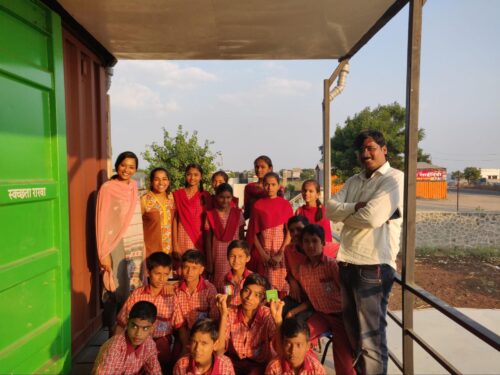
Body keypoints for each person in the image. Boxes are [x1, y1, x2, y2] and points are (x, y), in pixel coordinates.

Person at [326, 129, 404, 375]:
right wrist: (356, 207)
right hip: (348, 263)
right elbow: (329, 209)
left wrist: (346, 214)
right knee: (355, 337)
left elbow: (372, 218)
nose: (365, 154)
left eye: (371, 148)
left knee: (371, 339)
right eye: (361, 150)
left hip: (374, 266)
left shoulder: (394, 179)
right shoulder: (354, 181)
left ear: (384, 149)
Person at [294, 224, 355, 375]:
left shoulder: (331, 265)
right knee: (299, 338)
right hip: (320, 315)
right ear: (301, 244)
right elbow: (309, 300)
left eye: (315, 241)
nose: (310, 245)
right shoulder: (302, 270)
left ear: (323, 243)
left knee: (343, 362)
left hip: (340, 316)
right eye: (306, 241)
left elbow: (346, 292)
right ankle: (311, 369)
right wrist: (292, 313)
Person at [96, 151, 145, 333]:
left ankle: (129, 333)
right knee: (115, 287)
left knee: (132, 287)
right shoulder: (108, 189)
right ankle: (112, 334)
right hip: (115, 242)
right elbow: (102, 220)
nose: (127, 170)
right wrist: (104, 252)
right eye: (123, 165)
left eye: (131, 167)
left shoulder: (133, 186)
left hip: (135, 243)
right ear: (117, 165)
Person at [115, 252, 175, 369]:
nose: (162, 279)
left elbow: (180, 326)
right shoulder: (137, 294)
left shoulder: (172, 296)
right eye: (157, 274)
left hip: (160, 342)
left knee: (162, 347)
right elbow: (121, 323)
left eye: (165, 274)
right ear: (148, 272)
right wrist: (115, 347)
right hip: (137, 340)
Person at [218, 273, 282, 375]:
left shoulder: (267, 315)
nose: (249, 297)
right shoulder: (230, 313)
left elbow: (280, 350)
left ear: (263, 300)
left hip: (258, 365)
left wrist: (278, 320)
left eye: (257, 295)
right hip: (233, 363)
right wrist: (223, 316)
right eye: (247, 291)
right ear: (241, 292)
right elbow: (219, 351)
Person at [247, 172, 293, 295]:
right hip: (265, 253)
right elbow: (253, 233)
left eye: (273, 184)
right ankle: (268, 310)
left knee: (282, 283)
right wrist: (263, 254)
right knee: (266, 284)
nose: (270, 187)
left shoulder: (285, 205)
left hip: (281, 252)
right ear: (262, 185)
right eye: (267, 184)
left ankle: (280, 310)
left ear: (279, 186)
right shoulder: (258, 205)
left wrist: (281, 253)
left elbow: (290, 232)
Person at [92, 301, 161, 375]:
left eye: (145, 328)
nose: (138, 334)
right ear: (127, 322)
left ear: (152, 328)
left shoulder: (149, 344)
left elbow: (155, 371)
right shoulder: (115, 347)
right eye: (134, 326)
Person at [172, 249, 219, 354]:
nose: (189, 272)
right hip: (183, 335)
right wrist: (186, 345)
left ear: (201, 270)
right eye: (186, 267)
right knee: (178, 358)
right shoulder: (176, 290)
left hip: (205, 334)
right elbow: (179, 323)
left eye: (194, 268)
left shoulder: (209, 289)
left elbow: (213, 319)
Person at [205, 183, 245, 289]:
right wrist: (209, 260)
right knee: (220, 280)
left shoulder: (237, 214)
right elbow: (208, 239)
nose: (225, 200)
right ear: (216, 197)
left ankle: (231, 301)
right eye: (221, 197)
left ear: (232, 198)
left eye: (228, 197)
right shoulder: (211, 214)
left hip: (235, 253)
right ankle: (221, 302)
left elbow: (241, 237)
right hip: (218, 255)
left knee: (234, 277)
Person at [173, 164, 211, 256]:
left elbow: (208, 223)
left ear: (201, 177)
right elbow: (174, 220)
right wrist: (175, 244)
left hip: (200, 239)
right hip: (182, 238)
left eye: (196, 175)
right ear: (185, 176)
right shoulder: (177, 195)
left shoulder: (206, 196)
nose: (192, 177)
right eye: (189, 174)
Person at [296, 179, 339, 258]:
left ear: (317, 194)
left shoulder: (323, 212)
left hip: (321, 254)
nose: (306, 193)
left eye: (311, 191)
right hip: (303, 253)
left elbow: (326, 238)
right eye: (304, 190)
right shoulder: (299, 211)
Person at [141, 167, 175, 255]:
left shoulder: (172, 198)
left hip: (170, 252)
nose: (161, 183)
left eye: (164, 179)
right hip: (151, 252)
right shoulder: (144, 200)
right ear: (151, 182)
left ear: (169, 181)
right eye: (156, 179)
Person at [221, 239, 253, 308]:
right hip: (231, 315)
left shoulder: (253, 277)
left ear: (248, 258)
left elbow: (270, 290)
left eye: (240, 256)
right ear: (227, 257)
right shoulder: (227, 279)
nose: (236, 260)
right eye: (232, 256)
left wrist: (273, 299)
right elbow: (228, 298)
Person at [243, 155, 275, 220]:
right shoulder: (249, 187)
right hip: (255, 224)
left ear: (270, 169)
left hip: (272, 223)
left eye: (262, 167)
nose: (259, 170)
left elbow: (280, 209)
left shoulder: (277, 188)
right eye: (257, 167)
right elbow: (247, 211)